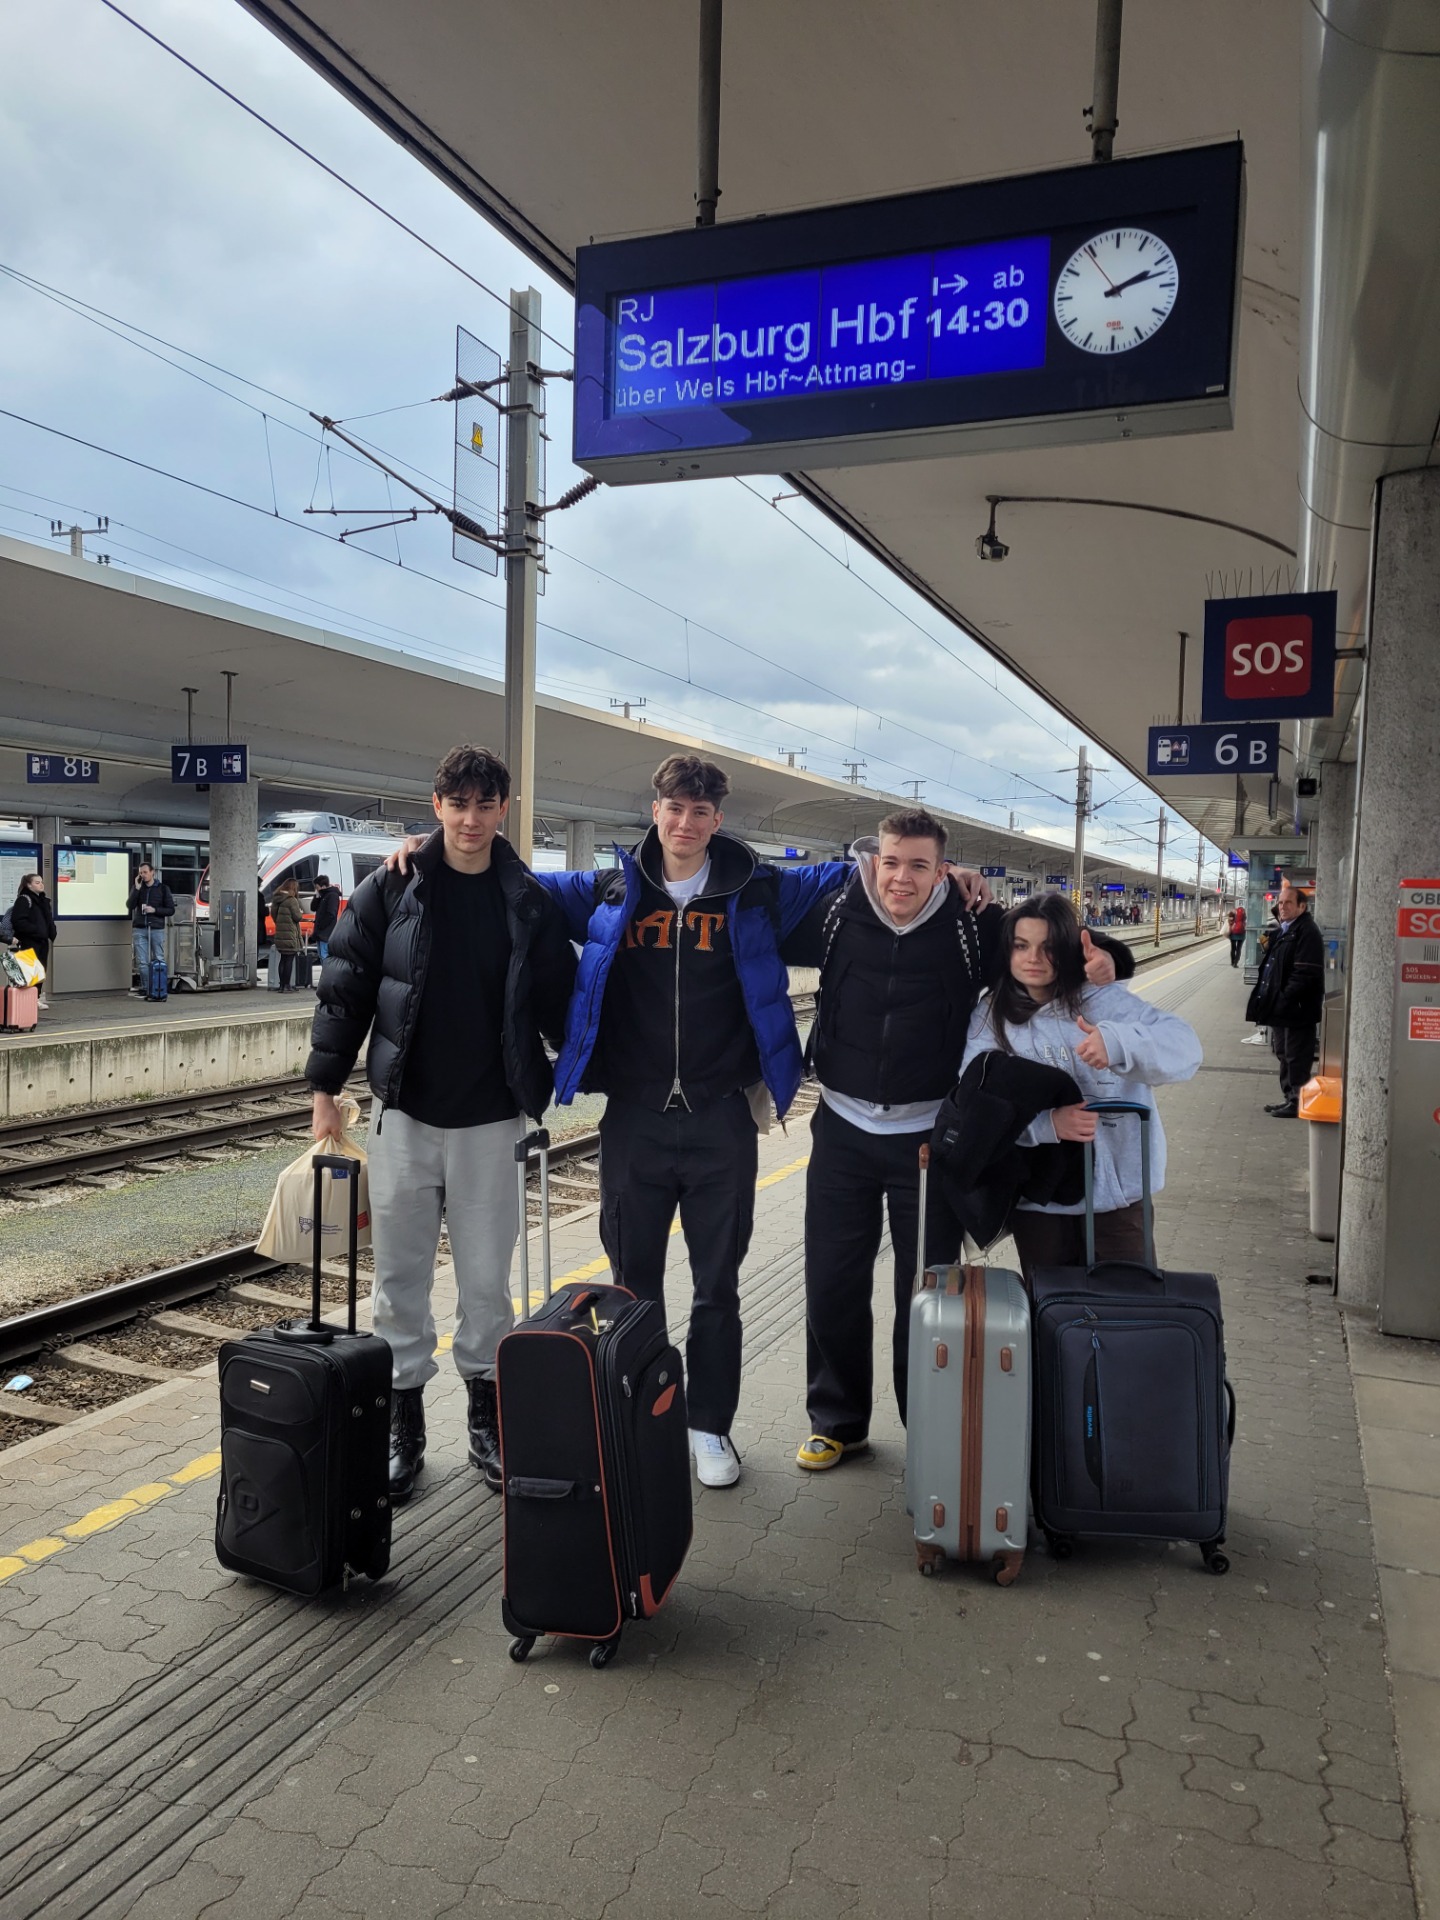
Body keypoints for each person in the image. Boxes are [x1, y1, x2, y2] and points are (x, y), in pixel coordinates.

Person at [388, 758, 994, 1491]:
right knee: (631, 1289)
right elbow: (508, 879)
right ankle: (637, 1429)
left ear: (717, 820)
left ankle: (710, 1427)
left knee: (718, 1290)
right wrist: (428, 847)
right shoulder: (610, 887)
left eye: (700, 812)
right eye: (674, 809)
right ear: (655, 811)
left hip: (722, 1119)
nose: (685, 823)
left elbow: (866, 869)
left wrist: (953, 873)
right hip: (634, 1120)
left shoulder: (758, 886)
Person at [307, 744, 575, 1505]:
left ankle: (488, 1417)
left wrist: (583, 1068)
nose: (470, 819)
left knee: (487, 1283)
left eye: (485, 805)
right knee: (399, 1280)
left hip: (492, 1120)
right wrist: (325, 1088)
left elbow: (560, 997)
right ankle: (404, 1423)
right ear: (436, 806)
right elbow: (345, 987)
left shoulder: (528, 898)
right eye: (457, 804)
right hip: (404, 1115)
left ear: (504, 810)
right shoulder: (391, 887)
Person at [961, 893, 1201, 1282]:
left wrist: (1119, 1044)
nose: (1033, 958)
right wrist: (1046, 1125)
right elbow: (973, 1102)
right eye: (1021, 946)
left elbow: (1186, 1049)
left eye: (1048, 948)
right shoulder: (990, 1017)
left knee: (1128, 1302)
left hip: (1117, 1198)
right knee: (1052, 1306)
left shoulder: (1104, 1002)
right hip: (1038, 1199)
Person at [1245, 885, 1324, 1118]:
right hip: (1282, 1008)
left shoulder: (1306, 932)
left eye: (1288, 902)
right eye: (1280, 903)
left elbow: (1305, 973)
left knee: (1296, 1056)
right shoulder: (1286, 930)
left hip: (1297, 1009)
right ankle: (1289, 1097)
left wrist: (1285, 997)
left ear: (1302, 906)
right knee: (1283, 1052)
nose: (1282, 907)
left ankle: (1298, 1101)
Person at [9, 874, 57, 1012]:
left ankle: (35, 998)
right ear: (29, 885)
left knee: (40, 971)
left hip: (42, 941)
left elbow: (48, 920)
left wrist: (52, 931)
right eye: (37, 882)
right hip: (29, 941)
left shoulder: (43, 901)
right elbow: (18, 921)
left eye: (41, 882)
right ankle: (28, 1000)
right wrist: (36, 931)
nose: (41, 885)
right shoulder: (24, 900)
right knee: (29, 971)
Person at [127, 863, 175, 995]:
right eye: (140, 873)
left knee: (158, 958)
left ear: (152, 872)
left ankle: (158, 988)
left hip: (156, 928)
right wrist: (136, 889)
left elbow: (170, 910)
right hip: (140, 928)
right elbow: (130, 905)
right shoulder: (138, 888)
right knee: (142, 961)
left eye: (145, 872)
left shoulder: (162, 889)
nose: (143, 875)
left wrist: (155, 910)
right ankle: (146, 987)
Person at [271, 877, 306, 992]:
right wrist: (301, 912)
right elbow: (297, 917)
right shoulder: (291, 900)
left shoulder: (277, 899)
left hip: (280, 933)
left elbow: (274, 916)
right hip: (290, 934)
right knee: (289, 960)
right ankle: (286, 985)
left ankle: (281, 986)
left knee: (283, 959)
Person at [310, 873, 339, 960]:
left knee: (324, 956)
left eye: (317, 887)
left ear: (323, 886)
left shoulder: (332, 896)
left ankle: (326, 970)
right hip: (320, 933)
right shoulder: (322, 896)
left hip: (326, 933)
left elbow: (331, 914)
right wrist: (316, 897)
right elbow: (313, 908)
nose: (316, 889)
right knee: (321, 955)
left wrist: (321, 925)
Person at [1227, 901, 1247, 968]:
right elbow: (1245, 921)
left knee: (1233, 948)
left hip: (1233, 933)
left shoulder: (1232, 912)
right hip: (1242, 933)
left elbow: (1229, 921)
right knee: (1239, 949)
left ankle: (1232, 962)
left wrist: (1232, 925)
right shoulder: (1244, 912)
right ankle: (1236, 963)